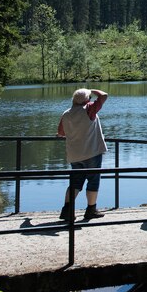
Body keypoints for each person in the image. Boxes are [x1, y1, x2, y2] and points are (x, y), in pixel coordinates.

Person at [57, 88, 109, 222]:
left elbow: (61, 133)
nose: (91, 100)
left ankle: (67, 211)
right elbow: (104, 95)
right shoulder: (89, 109)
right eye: (89, 98)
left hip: (75, 155)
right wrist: (91, 90)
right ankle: (91, 210)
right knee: (93, 181)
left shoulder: (66, 114)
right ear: (86, 100)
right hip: (92, 153)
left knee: (75, 183)